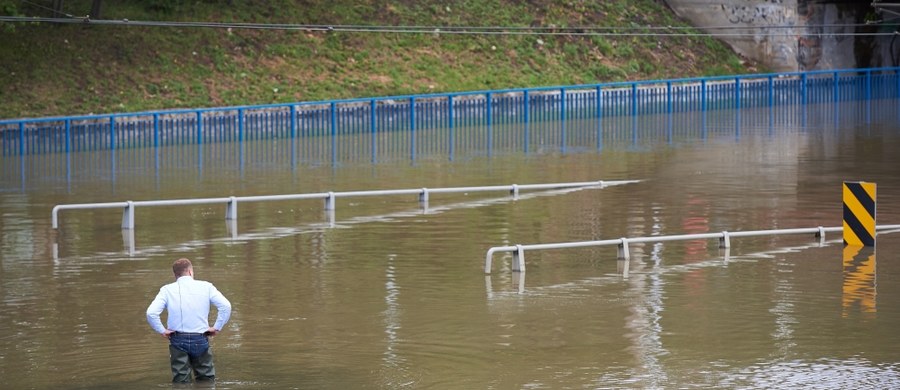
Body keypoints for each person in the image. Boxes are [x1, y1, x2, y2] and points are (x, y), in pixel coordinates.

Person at [146, 258, 232, 383]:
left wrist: (162, 330)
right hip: (200, 338)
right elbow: (226, 306)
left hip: (177, 339)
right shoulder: (207, 287)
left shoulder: (167, 290)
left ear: (175, 275)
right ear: (191, 272)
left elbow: (151, 313)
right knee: (207, 379)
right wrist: (217, 327)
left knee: (181, 380)